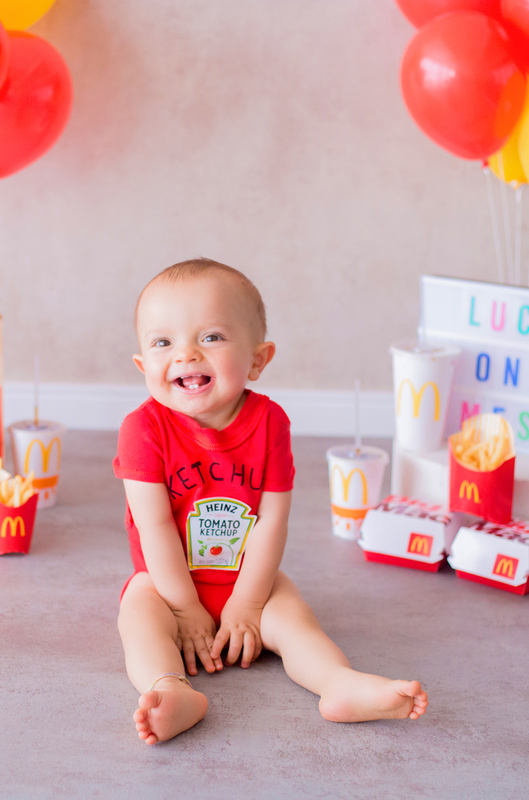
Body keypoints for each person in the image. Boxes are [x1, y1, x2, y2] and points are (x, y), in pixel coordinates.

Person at [115, 258, 429, 745]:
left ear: (258, 359)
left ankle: (337, 684)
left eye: (211, 337)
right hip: (167, 582)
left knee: (295, 619)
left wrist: (248, 600)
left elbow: (271, 519)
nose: (186, 355)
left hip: (250, 577)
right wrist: (182, 608)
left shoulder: (269, 423)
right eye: (163, 342)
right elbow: (153, 525)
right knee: (138, 616)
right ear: (143, 367)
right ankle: (171, 689)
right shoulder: (143, 429)